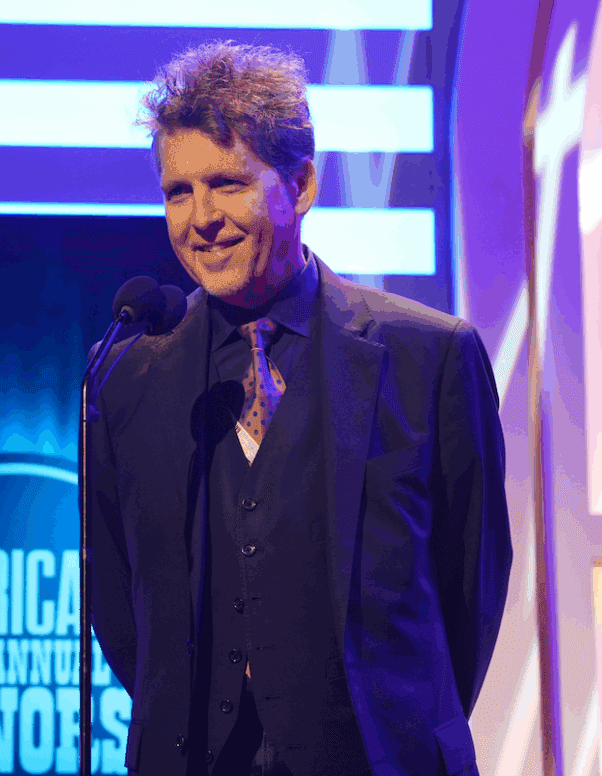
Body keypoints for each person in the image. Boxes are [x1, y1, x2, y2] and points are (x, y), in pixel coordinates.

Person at [88, 42, 511, 776]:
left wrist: (395, 721)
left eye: (227, 184)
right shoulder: (129, 375)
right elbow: (123, 611)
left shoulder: (430, 356)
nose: (201, 218)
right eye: (177, 191)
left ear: (302, 184)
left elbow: (469, 585)